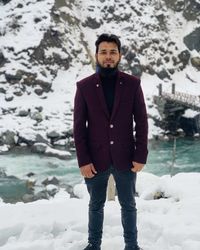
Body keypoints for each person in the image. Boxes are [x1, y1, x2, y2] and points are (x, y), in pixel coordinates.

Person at [73, 33, 148, 250]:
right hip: (95, 159)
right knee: (95, 205)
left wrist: (140, 155)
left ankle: (132, 246)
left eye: (112, 52)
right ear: (96, 55)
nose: (108, 56)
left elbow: (141, 122)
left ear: (119, 55)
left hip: (126, 156)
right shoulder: (84, 87)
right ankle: (93, 245)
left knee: (129, 205)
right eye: (103, 52)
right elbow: (79, 127)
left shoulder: (133, 84)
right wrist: (83, 161)